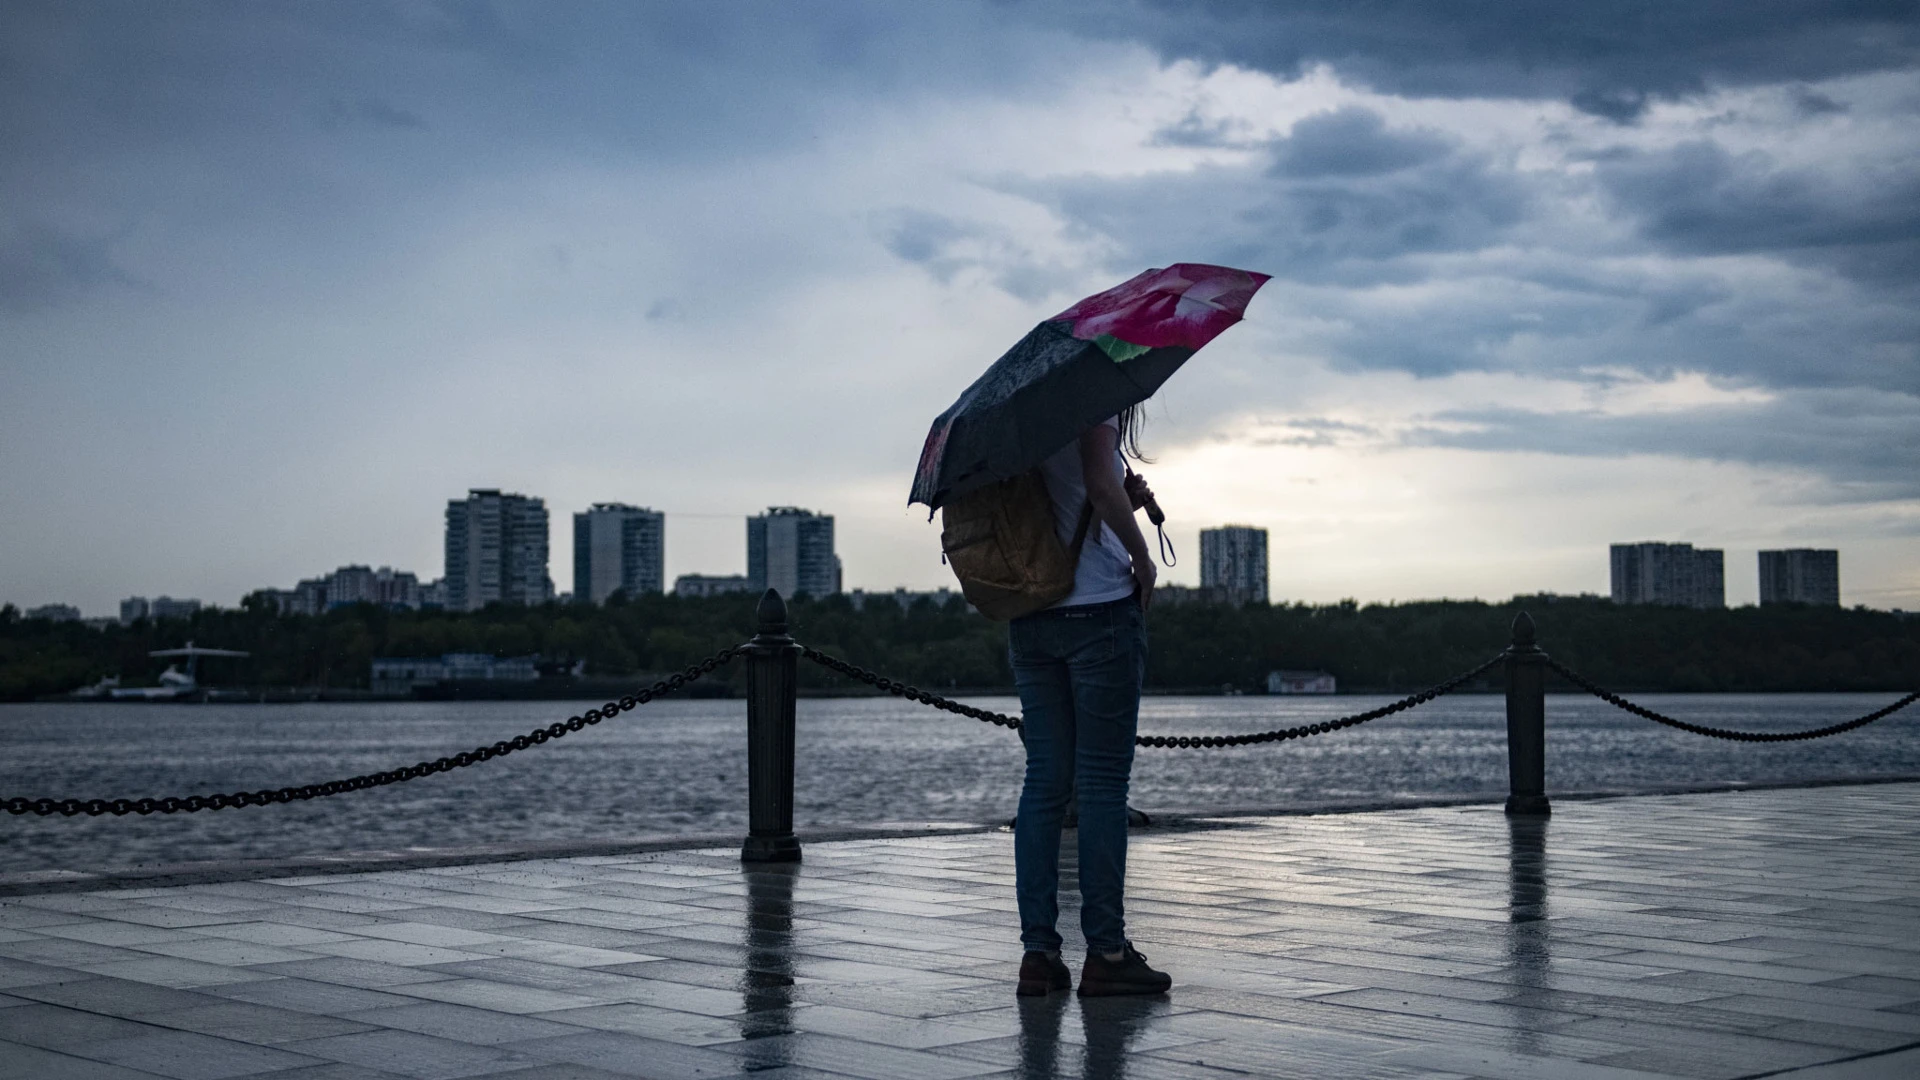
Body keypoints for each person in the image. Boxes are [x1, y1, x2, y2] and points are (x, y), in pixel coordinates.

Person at [1012, 404, 1171, 998]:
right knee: (1103, 784)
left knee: (1044, 783)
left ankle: (1038, 955)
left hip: (1030, 613)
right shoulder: (1093, 403)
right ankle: (1105, 951)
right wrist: (1142, 555)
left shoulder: (1023, 421)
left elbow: (1067, 503)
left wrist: (1116, 505)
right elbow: (1099, 487)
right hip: (1100, 611)